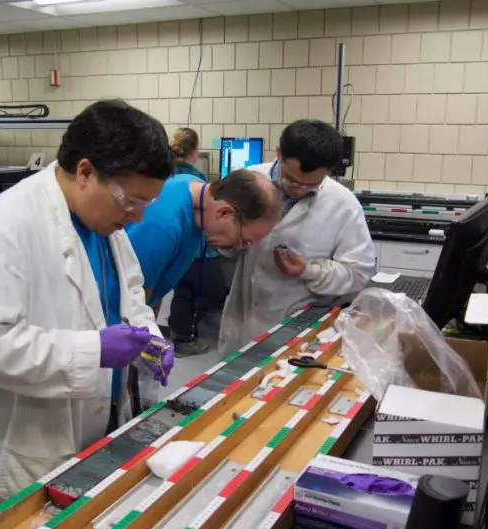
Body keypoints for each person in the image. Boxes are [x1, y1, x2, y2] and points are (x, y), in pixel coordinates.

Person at [0, 100, 175, 529]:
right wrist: (93, 352)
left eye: (145, 206)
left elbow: (130, 296)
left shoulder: (105, 225)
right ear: (86, 171)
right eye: (130, 201)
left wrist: (148, 336)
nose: (135, 217)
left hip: (99, 421)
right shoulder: (5, 226)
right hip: (26, 436)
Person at [219, 119, 376, 356]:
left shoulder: (343, 204)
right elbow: (223, 245)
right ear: (279, 153)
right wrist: (231, 242)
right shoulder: (246, 181)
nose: (298, 189)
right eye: (291, 179)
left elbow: (358, 274)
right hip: (240, 322)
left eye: (311, 185)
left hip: (296, 330)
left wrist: (308, 270)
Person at [125, 167, 280, 319]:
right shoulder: (162, 226)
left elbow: (154, 291)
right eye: (242, 240)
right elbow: (132, 305)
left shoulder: (197, 187)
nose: (238, 248)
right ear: (224, 212)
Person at [166, 128, 227, 357]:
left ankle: (181, 332)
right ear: (195, 151)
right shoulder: (197, 182)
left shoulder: (168, 177)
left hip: (176, 250)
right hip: (198, 251)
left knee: (183, 291)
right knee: (214, 289)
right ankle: (184, 332)